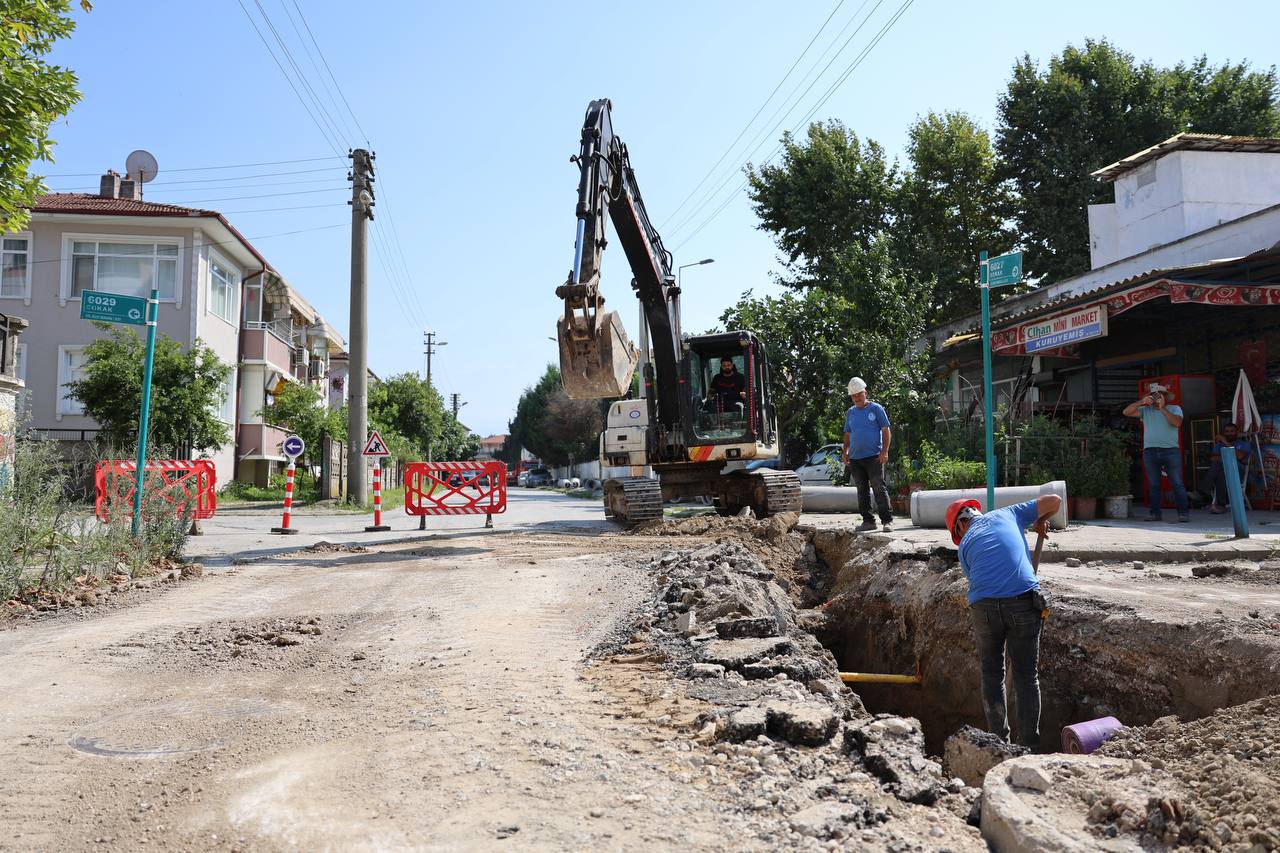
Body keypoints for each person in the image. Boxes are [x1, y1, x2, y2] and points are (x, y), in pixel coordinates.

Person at [946, 493, 1062, 748]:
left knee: (991, 673)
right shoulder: (1009, 513)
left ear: (961, 526)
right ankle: (1029, 747)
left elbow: (981, 580)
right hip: (1022, 602)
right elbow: (1055, 500)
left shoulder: (964, 547)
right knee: (1026, 676)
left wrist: (1039, 520)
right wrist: (1040, 519)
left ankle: (999, 745)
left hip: (983, 607)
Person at [1122, 383, 1189, 522]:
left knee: (1177, 483)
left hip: (1170, 451)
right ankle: (1154, 513)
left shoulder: (1175, 408)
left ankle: (1183, 513)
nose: (1156, 397)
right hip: (1150, 451)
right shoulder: (1145, 411)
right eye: (1153, 395)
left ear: (1165, 396)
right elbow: (1126, 412)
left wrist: (1162, 408)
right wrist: (1142, 402)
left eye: (1159, 395)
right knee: (1153, 484)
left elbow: (1177, 423)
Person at [842, 376, 893, 533]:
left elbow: (886, 430)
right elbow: (847, 434)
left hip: (874, 456)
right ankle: (868, 521)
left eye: (859, 394)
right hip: (856, 459)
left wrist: (884, 451)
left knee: (879, 487)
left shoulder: (876, 409)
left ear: (866, 393)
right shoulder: (850, 413)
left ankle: (887, 521)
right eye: (854, 396)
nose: (857, 398)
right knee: (861, 490)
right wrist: (846, 451)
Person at [1205, 422, 1251, 513]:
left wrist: (1225, 443)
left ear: (1236, 432)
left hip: (1237, 471)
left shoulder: (1244, 444)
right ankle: (1221, 506)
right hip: (1223, 470)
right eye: (1227, 431)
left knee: (1219, 465)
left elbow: (1240, 456)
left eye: (1232, 431)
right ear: (1224, 433)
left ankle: (1203, 492)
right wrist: (1228, 457)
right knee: (1220, 472)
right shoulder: (1219, 445)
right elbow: (1213, 458)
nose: (1229, 433)